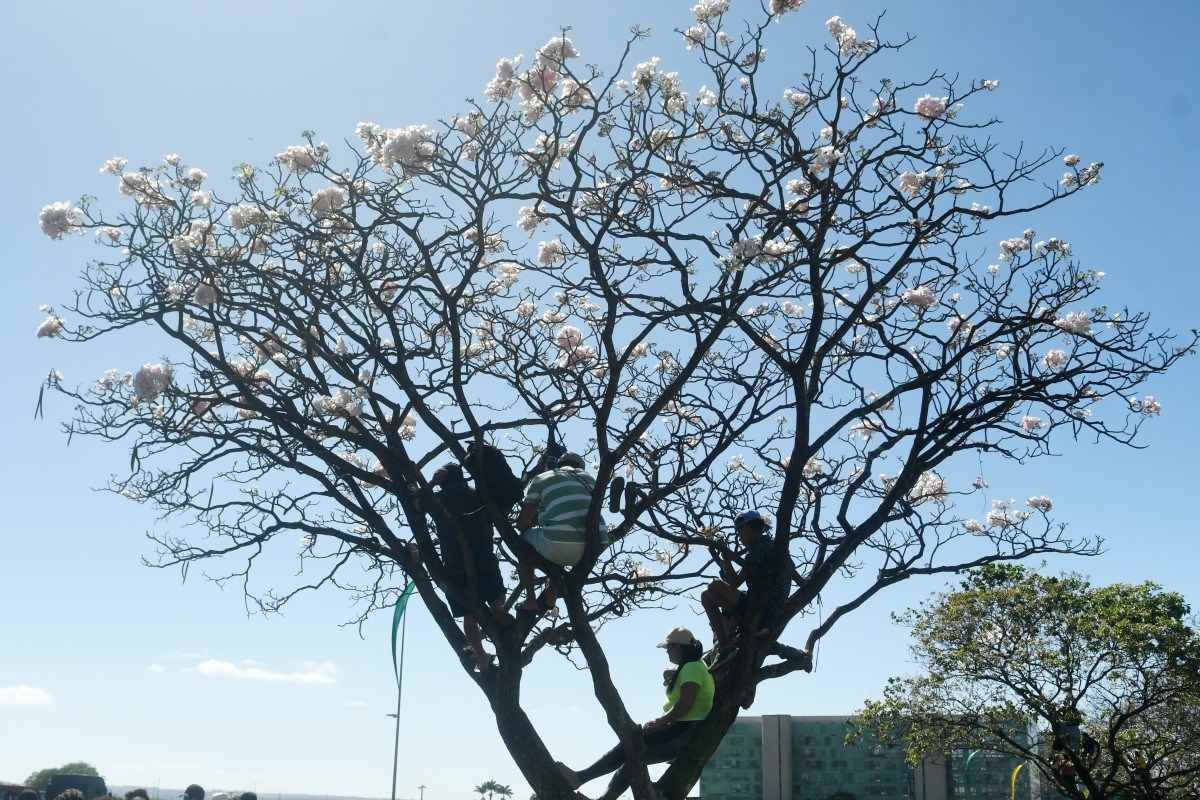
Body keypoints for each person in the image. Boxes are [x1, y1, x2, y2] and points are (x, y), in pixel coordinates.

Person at [558, 627, 714, 800]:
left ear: (678, 647)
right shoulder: (696, 666)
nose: (666, 652)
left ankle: (579, 777)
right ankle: (596, 792)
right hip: (685, 732)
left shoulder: (691, 668)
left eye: (668, 648)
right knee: (632, 761)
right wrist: (672, 674)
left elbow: (686, 704)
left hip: (681, 732)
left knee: (631, 743)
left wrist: (661, 722)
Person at [428, 462, 508, 671]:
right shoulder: (477, 494)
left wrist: (430, 483)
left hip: (454, 565)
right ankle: (504, 640)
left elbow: (417, 503)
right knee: (498, 600)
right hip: (484, 558)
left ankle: (481, 657)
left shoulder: (438, 500)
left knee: (468, 615)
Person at [516, 451, 607, 613]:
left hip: (558, 545)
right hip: (594, 546)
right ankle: (551, 597)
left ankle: (530, 600)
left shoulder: (542, 478)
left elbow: (523, 520)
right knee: (563, 533)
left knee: (524, 541)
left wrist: (527, 526)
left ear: (558, 465)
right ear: (581, 467)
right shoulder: (590, 480)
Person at [701, 510, 783, 651]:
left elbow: (734, 583)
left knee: (713, 587)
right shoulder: (758, 551)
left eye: (741, 530)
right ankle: (725, 643)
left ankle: (726, 643)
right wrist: (726, 560)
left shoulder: (764, 549)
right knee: (706, 596)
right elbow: (736, 580)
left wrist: (728, 558)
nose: (739, 536)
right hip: (754, 602)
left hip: (762, 607)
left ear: (753, 527)